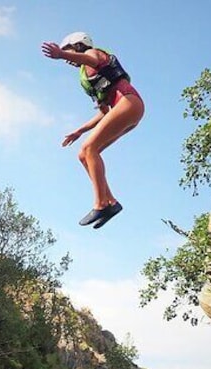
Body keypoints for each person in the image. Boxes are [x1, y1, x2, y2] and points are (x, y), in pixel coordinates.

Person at [41, 32, 145, 229]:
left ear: (79, 45)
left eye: (68, 50)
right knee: (83, 154)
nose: (67, 58)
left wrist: (60, 54)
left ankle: (100, 204)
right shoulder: (88, 79)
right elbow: (104, 113)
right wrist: (79, 131)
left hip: (129, 101)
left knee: (90, 148)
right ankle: (111, 202)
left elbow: (90, 58)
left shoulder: (93, 54)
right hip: (125, 109)